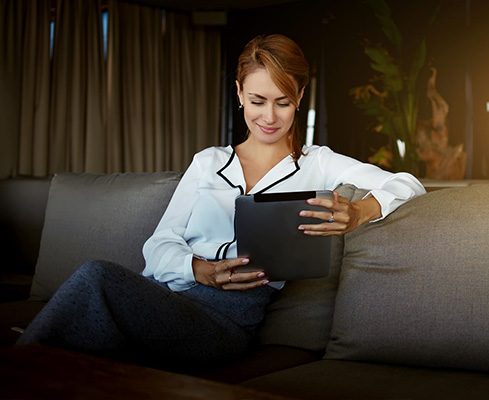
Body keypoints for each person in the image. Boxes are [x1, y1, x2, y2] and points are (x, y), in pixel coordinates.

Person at [17, 34, 425, 369]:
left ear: (300, 96)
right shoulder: (208, 163)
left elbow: (407, 183)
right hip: (171, 298)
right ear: (239, 93)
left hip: (225, 324)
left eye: (282, 102)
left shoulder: (318, 163)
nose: (268, 117)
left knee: (95, 277)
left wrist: (360, 212)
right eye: (257, 100)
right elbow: (158, 246)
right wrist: (201, 270)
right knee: (84, 339)